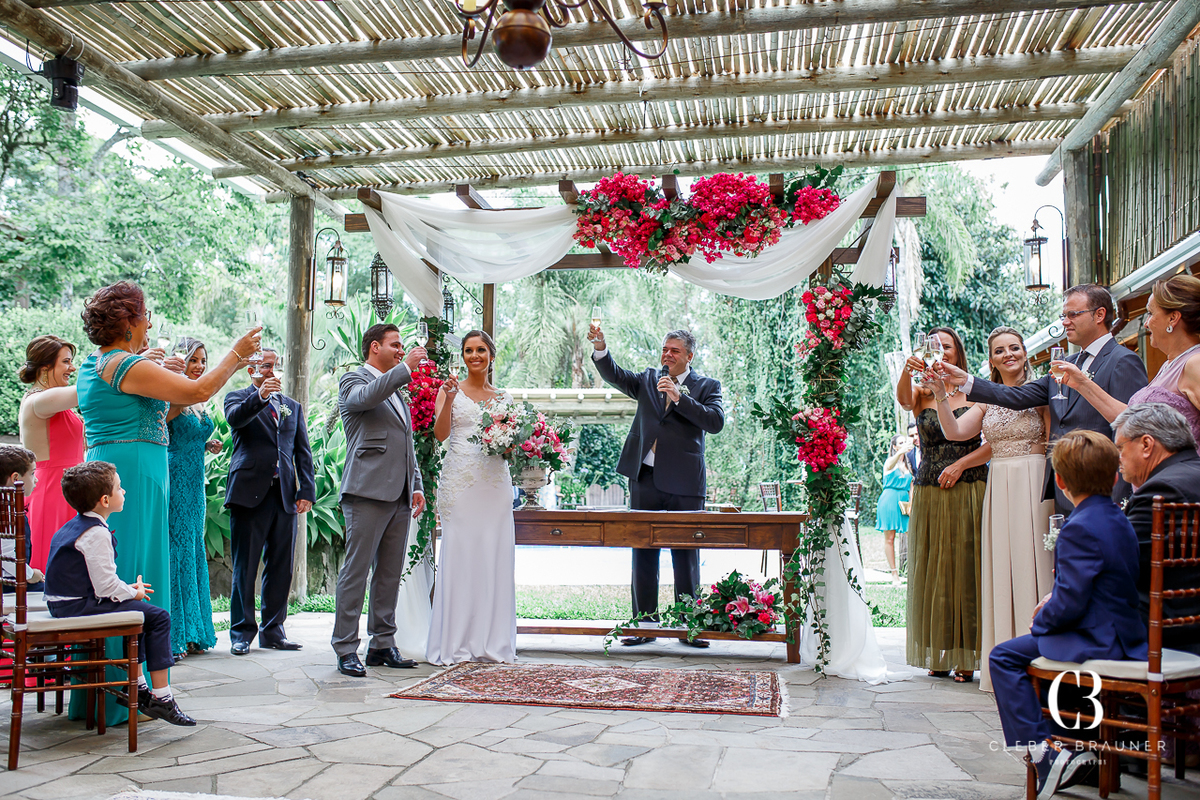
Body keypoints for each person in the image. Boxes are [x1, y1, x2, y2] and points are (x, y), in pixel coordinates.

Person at [75, 280, 260, 724]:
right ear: (130, 323)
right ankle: (122, 688)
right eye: (146, 315)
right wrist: (234, 356)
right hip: (130, 474)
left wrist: (160, 371)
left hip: (138, 468)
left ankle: (136, 686)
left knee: (140, 571)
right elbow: (197, 393)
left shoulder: (99, 362)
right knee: (129, 571)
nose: (151, 323)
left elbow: (166, 409)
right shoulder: (120, 362)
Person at [988, 430, 1146, 800]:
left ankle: (1045, 755)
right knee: (1026, 651)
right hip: (1126, 633)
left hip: (1096, 639)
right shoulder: (1119, 518)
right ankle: (1068, 748)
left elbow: (1072, 602)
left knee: (1004, 656)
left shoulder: (1078, 527)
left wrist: (1040, 622)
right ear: (1115, 476)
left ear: (1059, 480)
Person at [937, 284, 1148, 515]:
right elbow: (1017, 396)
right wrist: (965, 380)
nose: (1065, 322)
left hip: (1106, 488)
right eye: (1063, 316)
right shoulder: (1068, 362)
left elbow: (1133, 426)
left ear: (1099, 315)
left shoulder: (1123, 360)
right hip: (1065, 488)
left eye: (1073, 314)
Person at [926, 326, 1054, 693]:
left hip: (1033, 481)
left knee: (1035, 563)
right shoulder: (985, 398)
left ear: (1026, 352)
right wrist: (939, 394)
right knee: (1003, 565)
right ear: (991, 359)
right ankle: (1006, 663)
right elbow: (955, 433)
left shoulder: (1042, 390)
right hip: (999, 483)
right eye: (1000, 350)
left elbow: (1052, 442)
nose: (1008, 354)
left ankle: (1041, 660)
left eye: (1015, 347)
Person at [590, 325, 725, 647]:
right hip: (645, 478)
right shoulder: (648, 379)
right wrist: (600, 347)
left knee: (686, 553)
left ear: (689, 356)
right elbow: (616, 375)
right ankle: (644, 624)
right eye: (665, 349)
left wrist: (679, 398)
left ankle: (689, 625)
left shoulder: (707, 385)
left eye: (674, 351)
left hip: (685, 482)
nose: (667, 355)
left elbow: (715, 422)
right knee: (644, 551)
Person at [45, 462, 195, 726]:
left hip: (65, 604)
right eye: (119, 487)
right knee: (158, 617)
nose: (123, 491)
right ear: (105, 500)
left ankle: (137, 688)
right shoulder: (96, 533)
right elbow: (106, 588)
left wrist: (128, 591)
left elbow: (97, 580)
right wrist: (133, 592)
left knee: (138, 617)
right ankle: (162, 699)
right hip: (79, 607)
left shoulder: (74, 526)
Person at [332, 324, 426, 677]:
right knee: (356, 573)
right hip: (366, 492)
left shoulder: (396, 394)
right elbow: (363, 399)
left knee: (389, 574)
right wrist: (405, 370)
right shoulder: (353, 381)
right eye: (396, 345)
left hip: (400, 494)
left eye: (403, 347)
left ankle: (382, 644)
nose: (402, 350)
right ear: (375, 347)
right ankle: (344, 648)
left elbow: (406, 444)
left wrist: (415, 484)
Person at [897, 326, 990, 683]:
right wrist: (908, 369)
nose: (942, 353)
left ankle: (969, 656)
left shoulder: (976, 390)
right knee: (934, 567)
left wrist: (962, 464)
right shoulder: (922, 393)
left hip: (968, 485)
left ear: (957, 352)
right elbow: (904, 400)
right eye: (936, 347)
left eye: (947, 347)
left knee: (967, 567)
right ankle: (940, 650)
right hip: (929, 486)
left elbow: (991, 441)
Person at [426, 331, 517, 664]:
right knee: (461, 556)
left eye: (480, 350)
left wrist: (510, 443)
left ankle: (493, 642)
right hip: (461, 484)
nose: (474, 355)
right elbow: (440, 434)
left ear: (491, 355)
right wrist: (449, 399)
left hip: (494, 485)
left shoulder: (504, 397)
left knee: (494, 556)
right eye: (468, 350)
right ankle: (457, 642)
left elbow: (513, 444)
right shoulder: (450, 390)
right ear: (462, 355)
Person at [224, 348, 315, 656]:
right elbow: (235, 421)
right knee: (245, 567)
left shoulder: (292, 406)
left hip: (285, 495)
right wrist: (260, 396)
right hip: (249, 492)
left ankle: (273, 631)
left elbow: (302, 451)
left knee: (281, 566)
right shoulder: (237, 398)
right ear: (252, 370)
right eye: (265, 366)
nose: (271, 371)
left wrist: (307, 490)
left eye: (275, 366)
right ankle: (241, 632)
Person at [1054, 275, 1200, 445]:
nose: (1146, 323)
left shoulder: (1194, 363)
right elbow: (1132, 420)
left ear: (1173, 318)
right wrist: (1081, 383)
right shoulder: (1169, 365)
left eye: (1151, 313)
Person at [1112, 403, 1200, 655]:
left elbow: (1121, 565)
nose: (1118, 458)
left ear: (1147, 445)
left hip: (1167, 625)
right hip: (1189, 617)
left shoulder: (1159, 491)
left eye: (1120, 448)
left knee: (1018, 653)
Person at [165, 338, 221, 658]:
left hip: (195, 483)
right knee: (178, 549)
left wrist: (206, 444)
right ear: (180, 362)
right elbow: (162, 429)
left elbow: (191, 435)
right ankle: (178, 633)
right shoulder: (174, 395)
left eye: (203, 360)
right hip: (175, 481)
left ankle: (195, 631)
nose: (199, 366)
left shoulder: (199, 400)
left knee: (192, 549)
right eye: (193, 360)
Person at [18, 335, 84, 572]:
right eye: (66, 362)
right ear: (46, 368)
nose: (72, 367)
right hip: (52, 491)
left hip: (65, 487)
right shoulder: (39, 400)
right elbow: (86, 391)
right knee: (53, 562)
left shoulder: (50, 400)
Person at [0, 445, 45, 592]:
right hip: (9, 583)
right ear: (15, 478)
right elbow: (7, 557)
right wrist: (31, 574)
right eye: (32, 474)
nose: (36, 479)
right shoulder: (7, 512)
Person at [875, 435, 912, 585]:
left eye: (905, 442)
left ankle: (913, 570)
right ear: (895, 446)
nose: (903, 445)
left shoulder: (908, 465)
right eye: (900, 443)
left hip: (904, 501)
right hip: (889, 500)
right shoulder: (889, 463)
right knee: (889, 538)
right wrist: (900, 452)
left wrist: (911, 503)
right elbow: (890, 464)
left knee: (912, 535)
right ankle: (894, 574)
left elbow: (912, 486)